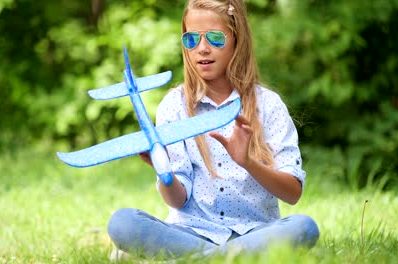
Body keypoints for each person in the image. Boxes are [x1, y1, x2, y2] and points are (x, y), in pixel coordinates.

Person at [107, 0, 319, 260]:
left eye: (215, 38)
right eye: (191, 39)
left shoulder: (269, 105)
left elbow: (293, 194)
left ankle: (193, 259)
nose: (202, 49)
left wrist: (248, 162)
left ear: (236, 40)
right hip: (190, 233)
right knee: (123, 222)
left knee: (304, 228)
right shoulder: (174, 106)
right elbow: (176, 200)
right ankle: (225, 258)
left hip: (255, 234)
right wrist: (165, 175)